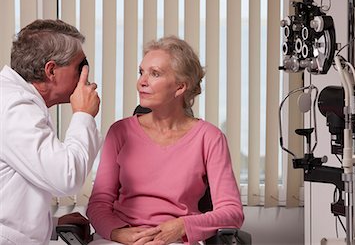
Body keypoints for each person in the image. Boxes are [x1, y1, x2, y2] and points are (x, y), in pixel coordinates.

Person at [87, 36, 244, 245]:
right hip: (121, 240)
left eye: (155, 74)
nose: (142, 82)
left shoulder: (210, 138)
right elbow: (99, 204)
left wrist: (182, 226)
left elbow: (232, 212)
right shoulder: (120, 132)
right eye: (141, 72)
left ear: (179, 87)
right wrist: (119, 233)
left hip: (177, 241)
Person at [0, 19, 103, 245]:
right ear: (51, 70)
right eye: (81, 66)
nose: (86, 74)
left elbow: (13, 186)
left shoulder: (14, 99)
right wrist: (83, 115)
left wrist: (51, 223)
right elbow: (67, 177)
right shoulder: (14, 106)